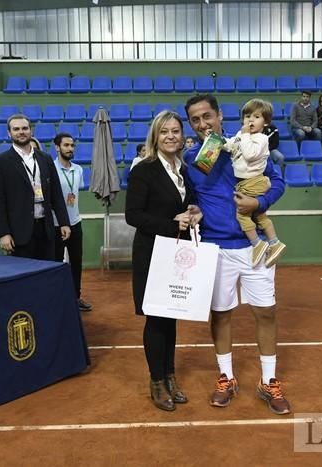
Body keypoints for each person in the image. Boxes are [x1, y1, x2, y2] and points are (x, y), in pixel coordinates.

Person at [184, 94, 291, 415]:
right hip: (215, 248)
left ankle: (268, 380)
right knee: (221, 314)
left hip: (254, 245)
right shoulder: (193, 158)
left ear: (219, 116)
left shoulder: (248, 146)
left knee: (266, 312)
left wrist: (258, 203)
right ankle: (226, 377)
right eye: (195, 120)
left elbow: (278, 181)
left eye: (207, 117)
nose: (203, 124)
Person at [125, 110, 201, 412]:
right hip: (152, 253)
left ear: (182, 136)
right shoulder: (144, 169)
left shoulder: (183, 169)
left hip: (177, 255)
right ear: (155, 136)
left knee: (171, 318)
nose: (171, 136)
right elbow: (134, 216)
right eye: (164, 131)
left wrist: (194, 212)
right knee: (156, 319)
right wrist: (173, 224)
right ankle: (156, 381)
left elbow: (188, 205)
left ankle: (170, 376)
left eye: (175, 131)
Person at [0, 114, 71, 260]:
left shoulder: (45, 158)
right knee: (23, 279)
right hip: (18, 233)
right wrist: (3, 234)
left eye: (24, 128)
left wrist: (64, 222)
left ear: (30, 130)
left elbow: (56, 194)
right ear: (9, 133)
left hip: (46, 229)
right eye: (16, 129)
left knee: (46, 276)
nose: (21, 132)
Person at [223, 98, 287, 267]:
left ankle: (257, 243)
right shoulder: (241, 135)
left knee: (242, 214)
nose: (250, 120)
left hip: (253, 181)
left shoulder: (261, 139)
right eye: (247, 116)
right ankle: (275, 242)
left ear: (265, 122)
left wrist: (244, 135)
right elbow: (231, 146)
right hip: (246, 182)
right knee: (259, 215)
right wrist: (218, 141)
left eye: (256, 117)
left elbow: (250, 154)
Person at [52, 133, 92, 312]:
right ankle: (56, 298)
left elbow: (73, 195)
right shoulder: (50, 169)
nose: (70, 149)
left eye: (72, 145)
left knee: (76, 262)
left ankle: (75, 297)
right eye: (66, 145)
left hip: (75, 222)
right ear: (57, 147)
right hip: (55, 225)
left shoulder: (78, 169)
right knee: (55, 263)